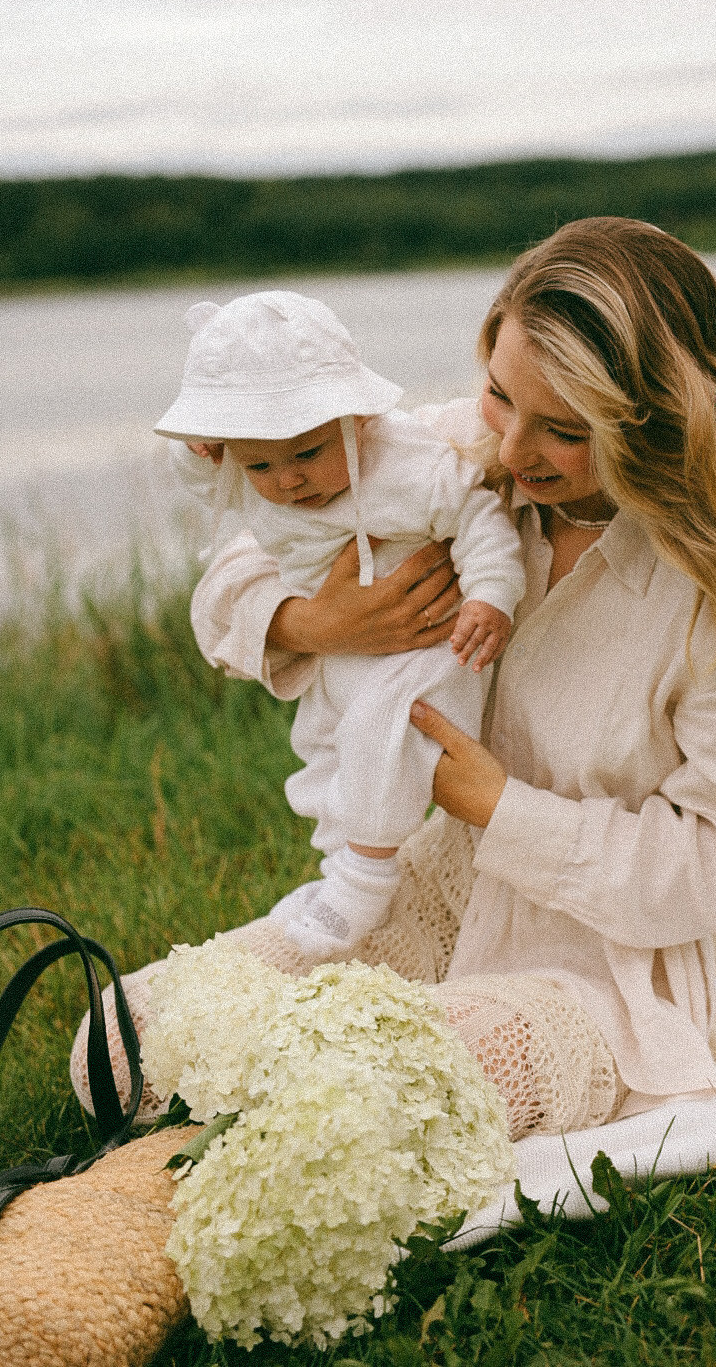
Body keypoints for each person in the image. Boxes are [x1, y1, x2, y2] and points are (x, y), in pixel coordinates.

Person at [72, 217, 716, 1142]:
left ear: (660, 421)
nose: (513, 451)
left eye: (564, 430)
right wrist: (318, 622)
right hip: (433, 892)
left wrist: (495, 804)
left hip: (611, 969)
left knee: (359, 1096)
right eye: (498, 395)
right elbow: (232, 571)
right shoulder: (457, 456)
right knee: (119, 1047)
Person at [154, 290, 525, 961]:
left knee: (383, 727)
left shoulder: (404, 463)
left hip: (433, 644)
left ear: (357, 417)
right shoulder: (251, 466)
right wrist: (200, 443)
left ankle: (365, 875)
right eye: (261, 465)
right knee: (330, 750)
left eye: (308, 454)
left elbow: (476, 516)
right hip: (346, 651)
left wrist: (491, 596)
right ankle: (339, 868)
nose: (289, 481)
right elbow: (203, 484)